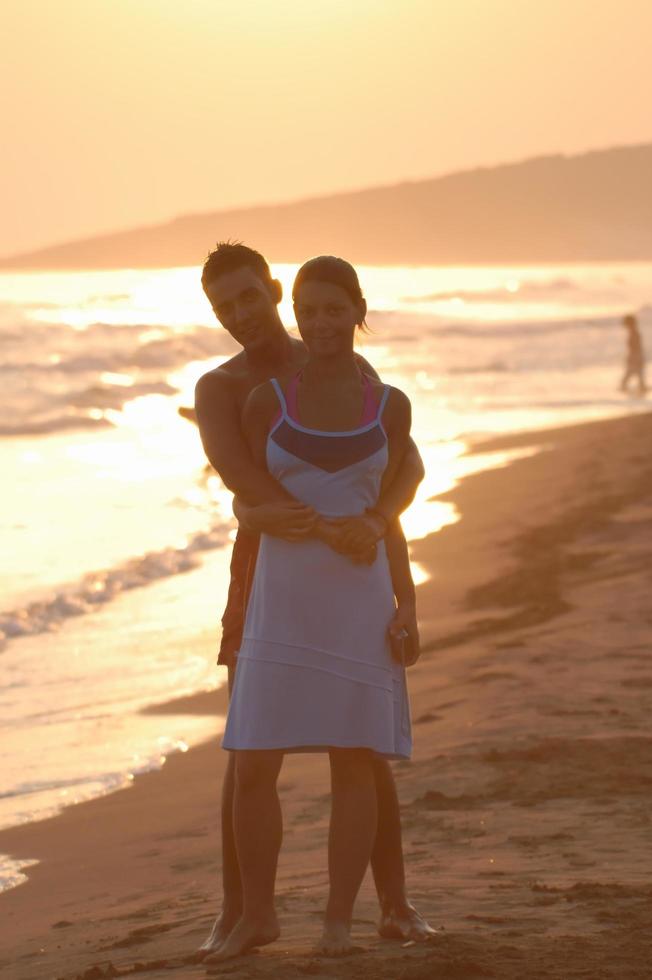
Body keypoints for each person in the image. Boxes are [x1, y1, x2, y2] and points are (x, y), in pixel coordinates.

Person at [193, 243, 434, 961]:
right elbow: (240, 477)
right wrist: (272, 517)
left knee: (360, 743)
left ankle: (393, 901)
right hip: (265, 571)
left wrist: (373, 526)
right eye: (224, 307)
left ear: (275, 291)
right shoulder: (224, 386)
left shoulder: (337, 358)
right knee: (251, 744)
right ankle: (242, 910)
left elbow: (404, 463)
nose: (241, 316)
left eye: (249, 297)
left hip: (346, 558)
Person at [620, 313, 647, 396]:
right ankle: (641, 391)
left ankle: (626, 392)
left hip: (635, 356)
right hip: (636, 356)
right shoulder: (634, 332)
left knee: (629, 376)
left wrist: (632, 358)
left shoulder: (634, 333)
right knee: (638, 376)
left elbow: (635, 347)